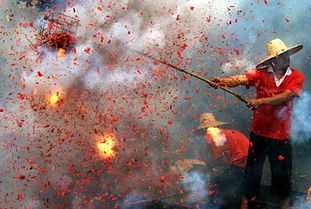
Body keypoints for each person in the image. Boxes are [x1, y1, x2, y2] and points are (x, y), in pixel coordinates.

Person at [211, 39, 305, 209]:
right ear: (273, 60)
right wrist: (222, 82)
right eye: (282, 56)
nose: (286, 58)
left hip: (281, 136)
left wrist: (260, 102)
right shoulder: (261, 74)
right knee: (251, 177)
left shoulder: (297, 76)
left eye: (286, 55)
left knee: (282, 179)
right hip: (259, 134)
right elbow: (241, 78)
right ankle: (245, 204)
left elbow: (286, 96)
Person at [198, 112, 250, 209]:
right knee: (231, 185)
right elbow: (221, 159)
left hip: (242, 161)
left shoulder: (215, 136)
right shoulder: (221, 133)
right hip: (246, 160)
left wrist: (212, 176)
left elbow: (219, 162)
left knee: (229, 189)